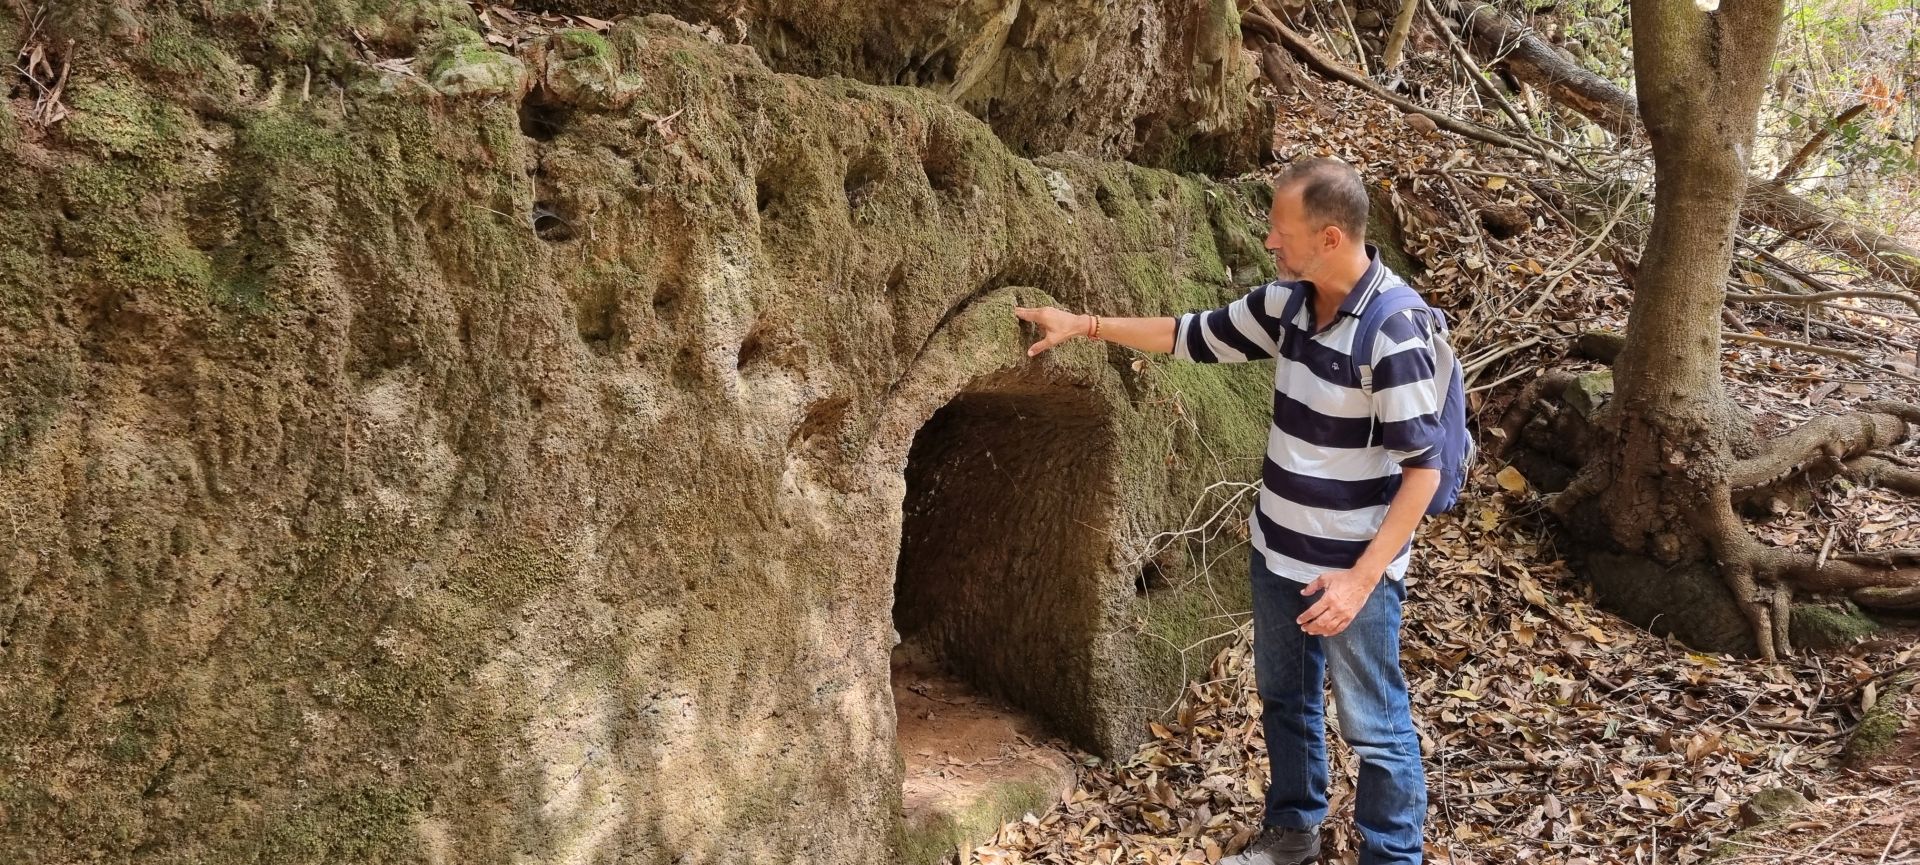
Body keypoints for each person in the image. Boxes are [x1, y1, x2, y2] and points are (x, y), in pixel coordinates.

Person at [1015, 157, 1439, 865]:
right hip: (1278, 551)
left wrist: (1361, 580)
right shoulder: (1289, 304)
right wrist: (1084, 325)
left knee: (1375, 726)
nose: (1270, 242)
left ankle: (1393, 855)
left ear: (1330, 238)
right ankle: (1294, 831)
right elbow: (1190, 334)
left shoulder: (1392, 330)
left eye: (1282, 232)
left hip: (1350, 573)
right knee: (1285, 698)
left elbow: (1424, 470)